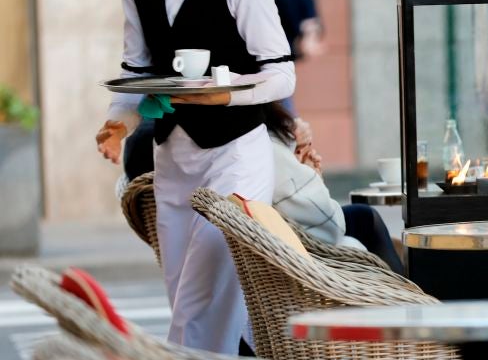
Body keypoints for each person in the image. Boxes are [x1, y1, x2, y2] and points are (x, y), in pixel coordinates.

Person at [96, 0, 295, 355]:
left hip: (236, 155)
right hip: (172, 156)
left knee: (201, 298)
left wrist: (226, 95)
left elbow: (281, 75)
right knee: (186, 291)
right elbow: (137, 67)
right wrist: (118, 121)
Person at [121, 105, 405, 275]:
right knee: (364, 218)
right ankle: (417, 306)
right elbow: (327, 225)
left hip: (227, 260)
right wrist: (308, 176)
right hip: (285, 258)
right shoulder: (246, 140)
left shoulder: (159, 152)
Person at [263, 103, 405, 274]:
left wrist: (304, 171)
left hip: (290, 234)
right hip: (305, 243)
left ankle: (404, 280)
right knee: (367, 218)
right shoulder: (271, 146)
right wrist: (311, 177)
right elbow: (331, 225)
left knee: (364, 217)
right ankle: (408, 291)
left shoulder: (256, 144)